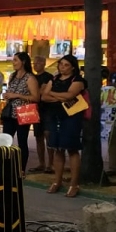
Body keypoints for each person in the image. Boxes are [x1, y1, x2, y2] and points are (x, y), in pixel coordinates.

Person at [40, 55, 86, 198]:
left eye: (66, 65)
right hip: (55, 117)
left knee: (72, 149)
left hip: (71, 117)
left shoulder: (78, 80)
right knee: (57, 149)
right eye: (61, 64)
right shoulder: (53, 79)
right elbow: (43, 97)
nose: (62, 67)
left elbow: (69, 95)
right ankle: (57, 181)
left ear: (73, 67)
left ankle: (74, 184)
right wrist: (59, 96)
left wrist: (52, 93)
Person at [0, 52, 41, 175]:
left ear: (23, 61)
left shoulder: (30, 78)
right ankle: (5, 167)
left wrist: (16, 95)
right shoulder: (12, 76)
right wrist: (7, 96)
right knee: (6, 140)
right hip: (10, 113)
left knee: (22, 141)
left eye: (16, 60)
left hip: (23, 113)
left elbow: (36, 97)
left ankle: (21, 169)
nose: (13, 63)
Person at [29, 55, 54, 173]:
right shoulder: (31, 77)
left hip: (48, 110)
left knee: (48, 135)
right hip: (35, 109)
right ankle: (41, 163)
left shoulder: (49, 77)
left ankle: (51, 164)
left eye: (38, 63)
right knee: (38, 137)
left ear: (44, 64)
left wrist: (40, 92)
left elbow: (44, 94)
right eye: (34, 63)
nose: (35, 65)